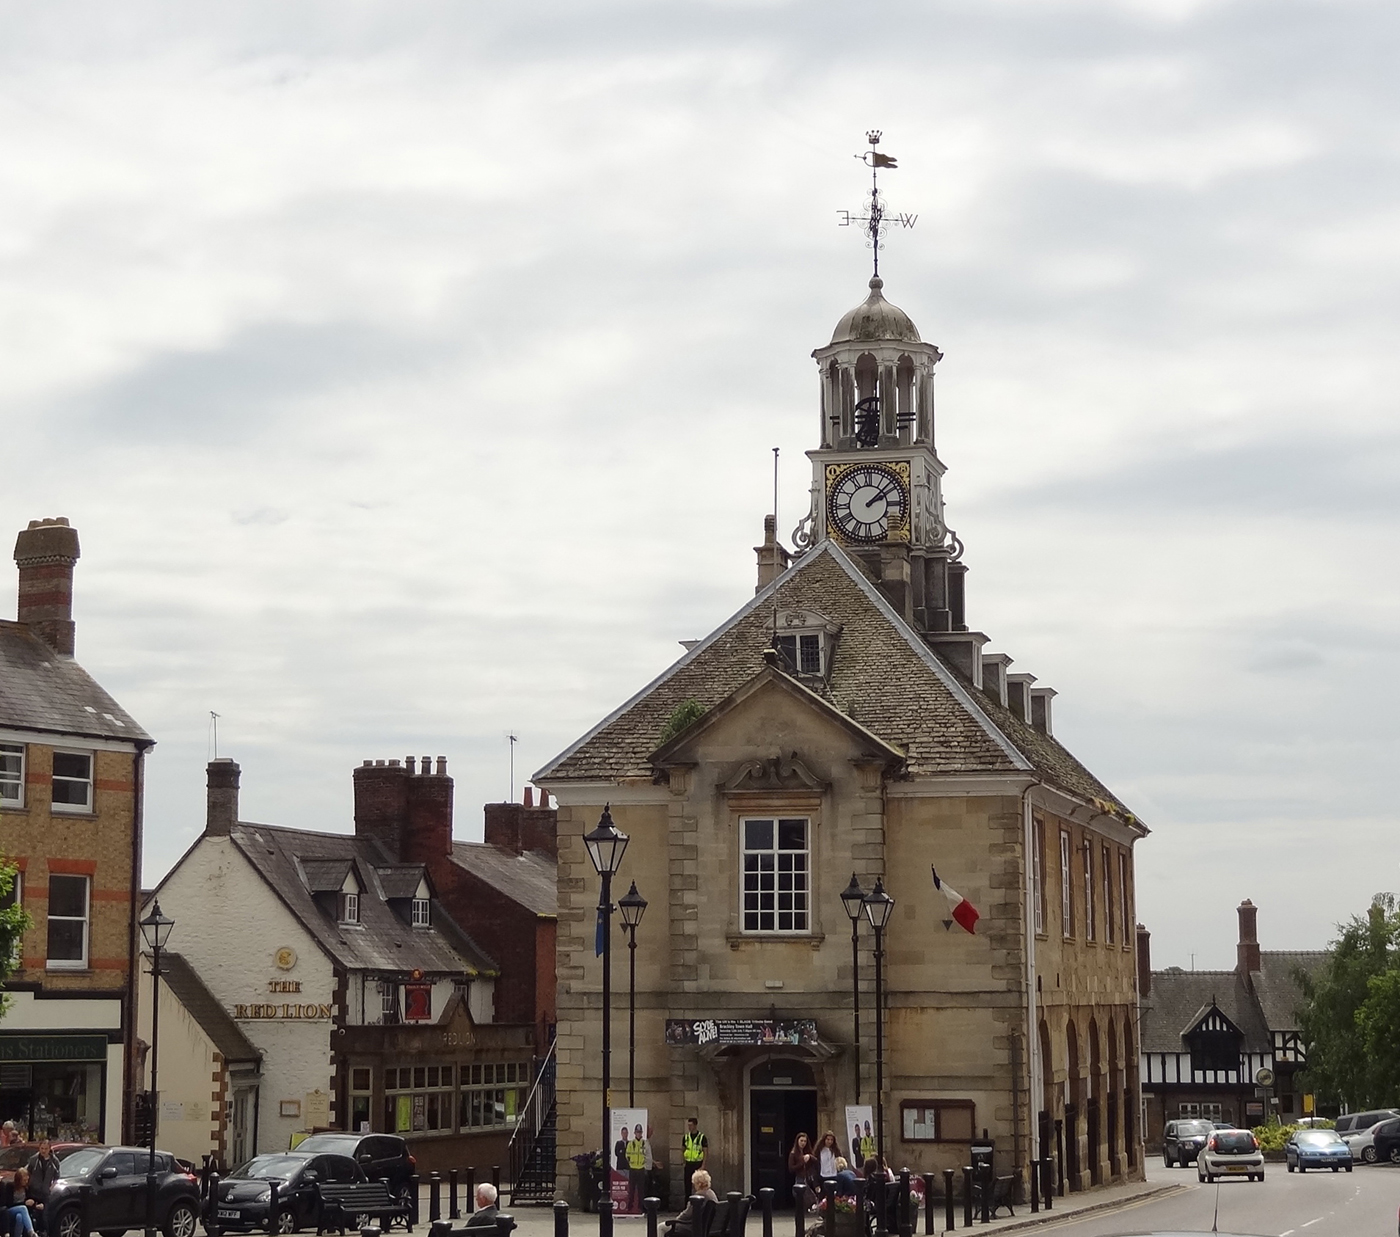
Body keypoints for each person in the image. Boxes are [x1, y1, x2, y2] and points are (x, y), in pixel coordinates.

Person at [665, 1169, 718, 1237]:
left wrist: (675, 1220)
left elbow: (686, 1215)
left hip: (694, 1228)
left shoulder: (698, 1196)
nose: (693, 1186)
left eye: (694, 1183)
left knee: (661, 1227)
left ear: (698, 1184)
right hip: (708, 1227)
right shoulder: (711, 1193)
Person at [27, 1139, 60, 1230]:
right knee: (34, 1214)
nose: (43, 1151)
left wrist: (51, 1187)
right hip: (34, 1191)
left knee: (45, 1216)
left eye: (45, 1149)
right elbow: (28, 1173)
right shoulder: (34, 1160)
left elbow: (57, 1176)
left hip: (46, 1193)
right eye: (42, 1148)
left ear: (50, 1149)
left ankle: (45, 1232)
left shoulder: (54, 1161)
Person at [787, 1132, 817, 1212]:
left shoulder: (807, 1151)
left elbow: (816, 1161)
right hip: (800, 1177)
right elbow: (791, 1168)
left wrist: (810, 1157)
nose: (803, 1143)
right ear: (797, 1141)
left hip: (809, 1177)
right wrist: (802, 1162)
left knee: (811, 1197)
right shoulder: (793, 1153)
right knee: (806, 1196)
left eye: (805, 1141)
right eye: (801, 1141)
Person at [8, 1168, 37, 1237]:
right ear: (19, 1180)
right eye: (24, 1180)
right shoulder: (10, 1186)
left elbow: (31, 1198)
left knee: (19, 1217)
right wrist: (24, 1203)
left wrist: (34, 1203)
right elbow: (8, 1203)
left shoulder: (27, 1188)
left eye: (27, 1180)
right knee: (23, 1208)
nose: (26, 1182)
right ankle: (31, 1232)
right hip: (11, 1210)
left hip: (21, 1211)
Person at [625, 1123, 647, 1212]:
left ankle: (641, 1207)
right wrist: (631, 1162)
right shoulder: (631, 1143)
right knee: (631, 1189)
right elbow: (627, 1155)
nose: (638, 1134)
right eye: (637, 1132)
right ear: (634, 1133)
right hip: (633, 1168)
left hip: (641, 1168)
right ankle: (629, 1207)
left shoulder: (644, 1143)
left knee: (641, 1190)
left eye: (640, 1132)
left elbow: (646, 1155)